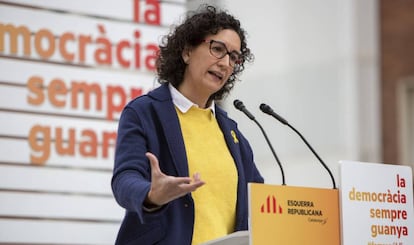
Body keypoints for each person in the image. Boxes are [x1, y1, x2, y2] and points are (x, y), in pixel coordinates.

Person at [111, 4, 264, 245]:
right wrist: (151, 195)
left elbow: (260, 198)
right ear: (186, 52)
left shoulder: (231, 131)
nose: (226, 63)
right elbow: (124, 179)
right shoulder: (144, 113)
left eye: (234, 57)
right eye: (217, 49)